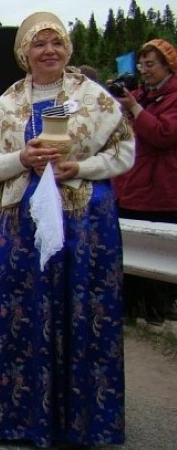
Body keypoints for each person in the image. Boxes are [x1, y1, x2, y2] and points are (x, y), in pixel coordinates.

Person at [0, 12, 134, 447]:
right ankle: (19, 417)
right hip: (21, 224)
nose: (49, 51)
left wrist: (79, 167)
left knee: (83, 310)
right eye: (39, 44)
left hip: (83, 221)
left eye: (56, 42)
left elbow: (125, 152)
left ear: (68, 49)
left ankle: (83, 420)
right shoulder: (7, 104)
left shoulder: (94, 97)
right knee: (22, 308)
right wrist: (21, 160)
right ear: (25, 53)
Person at [113, 38, 177, 325]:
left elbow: (163, 134)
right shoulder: (141, 95)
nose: (144, 70)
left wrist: (137, 110)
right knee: (128, 250)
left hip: (162, 187)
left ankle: (158, 313)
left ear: (168, 66)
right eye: (142, 64)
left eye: (151, 64)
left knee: (161, 251)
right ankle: (131, 308)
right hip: (133, 185)